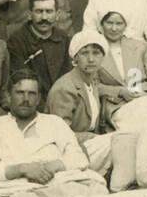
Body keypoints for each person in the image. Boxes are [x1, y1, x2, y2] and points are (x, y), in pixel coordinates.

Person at [0, 69, 89, 181]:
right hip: (15, 187)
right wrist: (22, 169)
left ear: (38, 99)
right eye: (20, 93)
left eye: (31, 93)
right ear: (9, 96)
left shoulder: (55, 122)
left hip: (59, 182)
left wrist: (52, 166)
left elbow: (80, 158)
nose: (26, 99)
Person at [46, 30, 122, 172]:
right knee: (120, 141)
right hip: (71, 150)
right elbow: (59, 135)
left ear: (103, 57)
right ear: (75, 58)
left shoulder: (91, 82)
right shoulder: (65, 88)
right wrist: (92, 137)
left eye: (96, 53)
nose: (91, 59)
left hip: (90, 144)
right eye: (84, 53)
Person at [97, 10, 147, 134]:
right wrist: (120, 91)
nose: (114, 28)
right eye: (109, 23)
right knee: (136, 126)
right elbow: (92, 85)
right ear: (101, 25)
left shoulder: (140, 47)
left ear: (125, 26)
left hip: (145, 97)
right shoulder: (95, 50)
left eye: (119, 23)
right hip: (117, 104)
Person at [6, 0, 71, 104]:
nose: (44, 17)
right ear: (29, 15)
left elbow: (68, 76)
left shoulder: (65, 39)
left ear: (57, 14)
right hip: (32, 102)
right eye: (39, 11)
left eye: (49, 11)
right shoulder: (17, 41)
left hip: (61, 100)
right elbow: (22, 81)